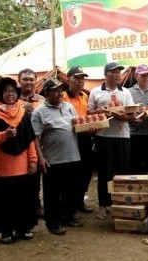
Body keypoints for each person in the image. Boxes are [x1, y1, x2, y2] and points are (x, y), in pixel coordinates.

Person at [0, 77, 38, 244]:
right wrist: (4, 135)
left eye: (13, 92)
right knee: (4, 199)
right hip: (2, 165)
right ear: (1, 93)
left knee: (24, 197)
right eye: (6, 91)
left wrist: (33, 160)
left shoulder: (23, 112)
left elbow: (30, 139)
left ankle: (24, 227)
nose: (10, 94)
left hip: (22, 164)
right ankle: (6, 230)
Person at [31, 77, 82, 235]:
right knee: (52, 193)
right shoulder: (39, 112)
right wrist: (41, 158)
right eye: (56, 90)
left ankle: (67, 216)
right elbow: (35, 138)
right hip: (53, 160)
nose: (60, 93)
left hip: (73, 156)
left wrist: (90, 127)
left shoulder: (69, 107)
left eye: (61, 90)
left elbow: (78, 126)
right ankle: (52, 223)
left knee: (70, 190)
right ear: (47, 93)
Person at [88, 62, 135, 220]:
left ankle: (122, 205)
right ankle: (103, 205)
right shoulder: (95, 92)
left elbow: (132, 115)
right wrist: (102, 110)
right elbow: (89, 113)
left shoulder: (126, 92)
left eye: (119, 72)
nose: (117, 75)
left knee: (124, 172)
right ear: (106, 74)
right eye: (114, 72)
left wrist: (119, 116)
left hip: (123, 137)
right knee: (105, 172)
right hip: (103, 137)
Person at [63, 66, 94, 213]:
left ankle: (80, 200)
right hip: (69, 139)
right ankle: (69, 205)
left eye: (82, 78)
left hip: (85, 138)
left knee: (86, 170)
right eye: (76, 78)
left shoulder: (85, 96)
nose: (80, 81)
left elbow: (88, 115)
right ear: (68, 79)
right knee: (71, 173)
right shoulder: (62, 96)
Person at [18, 68, 45, 219]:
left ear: (36, 81)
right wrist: (20, 109)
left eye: (31, 79)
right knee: (21, 177)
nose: (28, 82)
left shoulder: (42, 100)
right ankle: (23, 206)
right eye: (25, 79)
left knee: (35, 177)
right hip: (20, 145)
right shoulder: (13, 99)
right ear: (19, 81)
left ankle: (36, 204)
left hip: (38, 145)